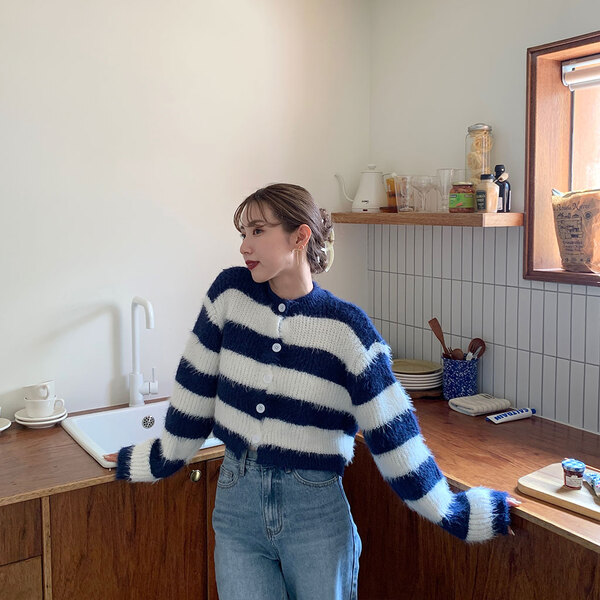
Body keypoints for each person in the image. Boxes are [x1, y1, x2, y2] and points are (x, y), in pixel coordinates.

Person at [104, 183, 519, 600]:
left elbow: (394, 436)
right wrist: (150, 460)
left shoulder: (347, 329)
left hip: (315, 513)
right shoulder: (229, 294)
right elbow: (193, 395)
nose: (245, 245)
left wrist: (456, 511)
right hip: (236, 500)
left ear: (300, 236)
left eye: (258, 231)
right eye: (243, 233)